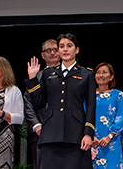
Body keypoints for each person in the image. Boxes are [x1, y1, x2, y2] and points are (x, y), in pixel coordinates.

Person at [25, 33, 96, 169]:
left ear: (77, 49)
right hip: (50, 135)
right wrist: (33, 79)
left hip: (76, 135)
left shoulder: (87, 74)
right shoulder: (48, 74)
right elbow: (39, 103)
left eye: (69, 46)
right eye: (61, 46)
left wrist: (88, 133)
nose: (65, 49)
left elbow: (91, 106)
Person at [23, 39, 59, 169]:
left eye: (55, 49)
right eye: (48, 50)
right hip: (41, 133)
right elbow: (28, 103)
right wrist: (36, 125)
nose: (52, 53)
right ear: (43, 55)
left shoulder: (70, 75)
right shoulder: (36, 77)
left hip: (65, 132)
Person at [91, 62, 123, 169]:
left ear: (111, 77)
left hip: (112, 142)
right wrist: (90, 136)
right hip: (92, 142)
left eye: (104, 72)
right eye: (98, 72)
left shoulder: (118, 95)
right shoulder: (88, 95)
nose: (101, 75)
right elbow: (83, 116)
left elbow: (120, 117)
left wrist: (109, 136)